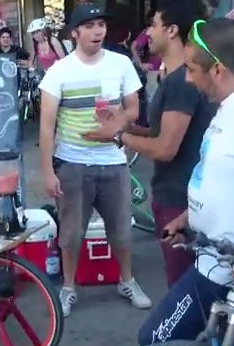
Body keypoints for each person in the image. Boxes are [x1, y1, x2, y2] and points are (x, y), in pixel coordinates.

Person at [84, 0, 214, 288]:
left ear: (171, 31)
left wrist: (118, 137)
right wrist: (126, 126)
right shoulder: (173, 77)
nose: (148, 32)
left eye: (154, 24)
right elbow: (159, 133)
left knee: (182, 290)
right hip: (174, 195)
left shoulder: (181, 82)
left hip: (179, 199)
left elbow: (165, 149)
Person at [39, 3, 152, 318]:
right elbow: (46, 125)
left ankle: (126, 280)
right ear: (74, 33)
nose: (97, 31)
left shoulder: (120, 64)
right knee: (71, 233)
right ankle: (69, 287)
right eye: (89, 26)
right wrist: (47, 171)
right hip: (72, 163)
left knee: (121, 230)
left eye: (101, 24)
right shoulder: (58, 71)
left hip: (114, 162)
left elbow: (133, 110)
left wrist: (117, 122)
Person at [137, 17, 234, 345]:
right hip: (208, 261)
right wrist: (188, 216)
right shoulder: (221, 109)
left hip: (222, 271)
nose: (189, 80)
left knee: (154, 338)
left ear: (218, 70)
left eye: (193, 69)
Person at [131, 10, 162, 103]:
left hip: (166, 69)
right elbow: (134, 45)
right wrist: (140, 64)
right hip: (154, 69)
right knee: (153, 99)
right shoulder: (149, 31)